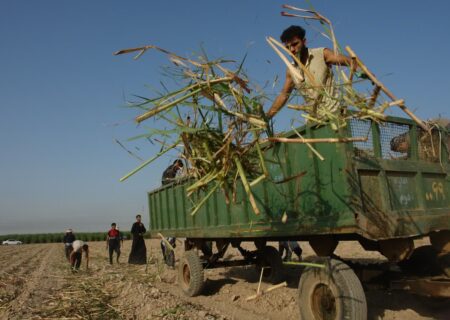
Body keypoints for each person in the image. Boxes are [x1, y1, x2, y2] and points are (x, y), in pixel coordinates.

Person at [267, 25, 356, 119]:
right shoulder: (291, 70)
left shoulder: (321, 54)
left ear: (304, 42)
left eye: (295, 44)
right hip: (316, 121)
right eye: (287, 47)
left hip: (336, 115)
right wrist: (267, 117)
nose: (291, 50)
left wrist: (365, 73)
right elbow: (283, 96)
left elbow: (352, 62)